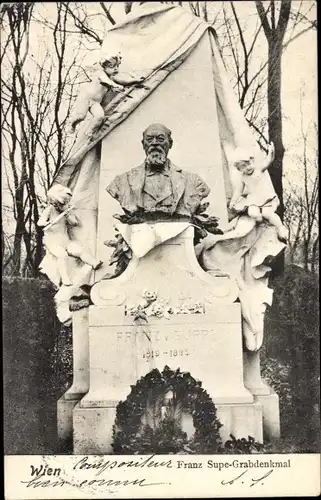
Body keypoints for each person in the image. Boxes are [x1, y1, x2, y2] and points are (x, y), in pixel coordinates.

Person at [106, 123, 210, 219]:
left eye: (160, 139)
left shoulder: (193, 181)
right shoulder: (122, 181)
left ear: (170, 143)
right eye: (149, 139)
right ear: (143, 144)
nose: (155, 143)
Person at [217, 142, 287, 242]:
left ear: (252, 160)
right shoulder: (243, 177)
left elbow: (268, 161)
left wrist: (271, 152)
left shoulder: (259, 169)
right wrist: (233, 201)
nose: (247, 168)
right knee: (252, 212)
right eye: (243, 167)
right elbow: (238, 191)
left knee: (268, 214)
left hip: (265, 198)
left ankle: (281, 228)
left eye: (248, 164)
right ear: (239, 169)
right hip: (254, 199)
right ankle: (260, 221)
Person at [38, 184, 102, 286]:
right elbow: (40, 222)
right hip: (52, 242)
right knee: (62, 255)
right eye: (64, 203)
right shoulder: (49, 210)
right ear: (56, 202)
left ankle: (94, 263)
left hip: (65, 241)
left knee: (79, 250)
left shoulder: (67, 211)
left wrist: (68, 215)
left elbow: (75, 223)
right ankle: (65, 278)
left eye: (67, 202)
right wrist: (47, 223)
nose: (67, 204)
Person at [68, 53, 125, 136]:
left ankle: (90, 131)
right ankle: (72, 124)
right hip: (86, 97)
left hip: (95, 102)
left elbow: (122, 81)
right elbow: (105, 81)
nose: (116, 69)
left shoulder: (111, 78)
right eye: (112, 67)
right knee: (81, 116)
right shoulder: (100, 73)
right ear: (105, 67)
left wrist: (136, 81)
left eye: (117, 66)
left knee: (100, 116)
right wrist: (115, 85)